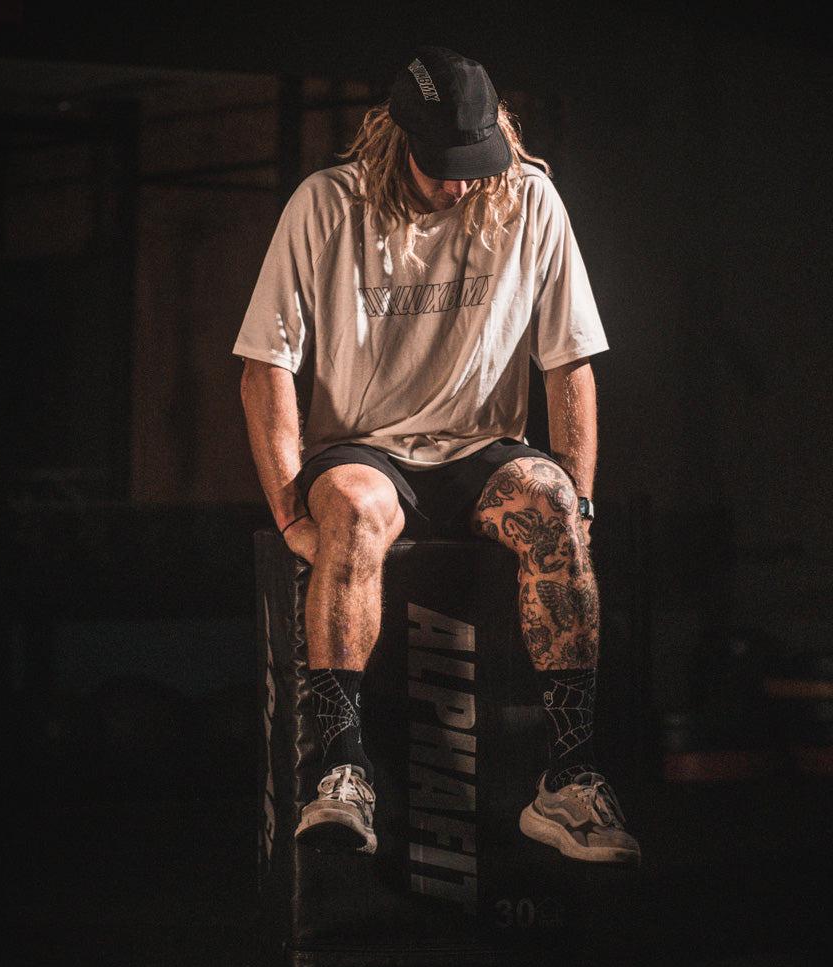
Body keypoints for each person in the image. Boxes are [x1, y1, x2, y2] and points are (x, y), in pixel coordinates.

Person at [235, 46, 640, 865]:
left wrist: (582, 505)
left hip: (481, 449)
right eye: (440, 166)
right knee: (353, 506)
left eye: (474, 163)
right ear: (394, 138)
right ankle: (342, 772)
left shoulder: (528, 201)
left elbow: (571, 365)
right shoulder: (326, 205)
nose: (459, 184)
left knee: (553, 505)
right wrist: (286, 508)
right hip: (365, 447)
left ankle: (568, 782)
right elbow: (264, 366)